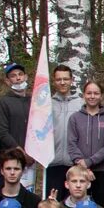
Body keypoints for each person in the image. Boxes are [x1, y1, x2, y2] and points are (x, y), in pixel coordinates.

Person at [42, 65, 82, 197]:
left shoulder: (81, 104)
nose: (62, 82)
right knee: (53, 202)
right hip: (53, 162)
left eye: (66, 79)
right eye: (59, 79)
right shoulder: (46, 103)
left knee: (73, 202)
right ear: (54, 81)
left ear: (71, 80)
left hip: (74, 163)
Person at [0, 62, 32, 157]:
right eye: (13, 76)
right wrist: (20, 151)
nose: (18, 78)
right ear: (7, 81)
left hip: (33, 155)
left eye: (20, 74)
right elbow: (2, 132)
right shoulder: (3, 102)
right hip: (11, 156)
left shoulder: (34, 101)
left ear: (25, 77)